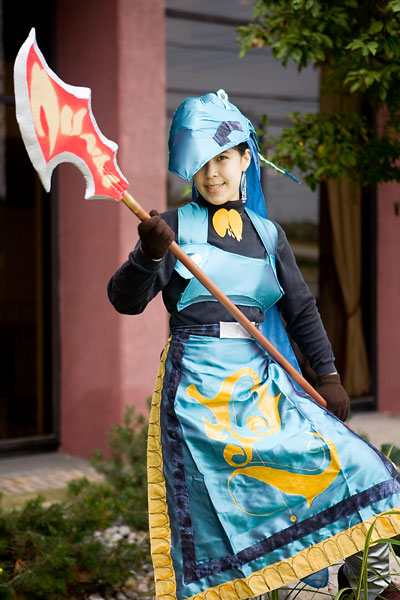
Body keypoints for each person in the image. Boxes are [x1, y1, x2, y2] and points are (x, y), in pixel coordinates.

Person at [107, 90, 400, 600]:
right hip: (199, 394)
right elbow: (125, 301)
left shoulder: (269, 234)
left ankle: (373, 587)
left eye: (223, 158)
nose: (212, 173)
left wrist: (328, 374)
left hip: (264, 385)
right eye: (202, 162)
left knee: (360, 465)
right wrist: (147, 258)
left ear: (246, 159)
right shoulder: (170, 229)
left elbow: (301, 310)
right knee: (238, 505)